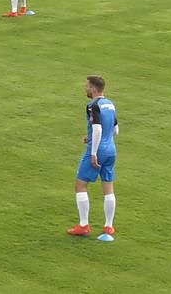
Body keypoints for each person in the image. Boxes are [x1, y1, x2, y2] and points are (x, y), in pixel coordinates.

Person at [67, 75, 119, 237]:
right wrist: (91, 137)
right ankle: (109, 226)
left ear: (94, 88)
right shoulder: (110, 104)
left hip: (99, 150)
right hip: (111, 149)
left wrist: (94, 152)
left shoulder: (93, 106)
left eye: (87, 86)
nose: (86, 88)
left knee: (80, 185)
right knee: (108, 187)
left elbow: (97, 129)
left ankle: (83, 225)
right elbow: (115, 130)